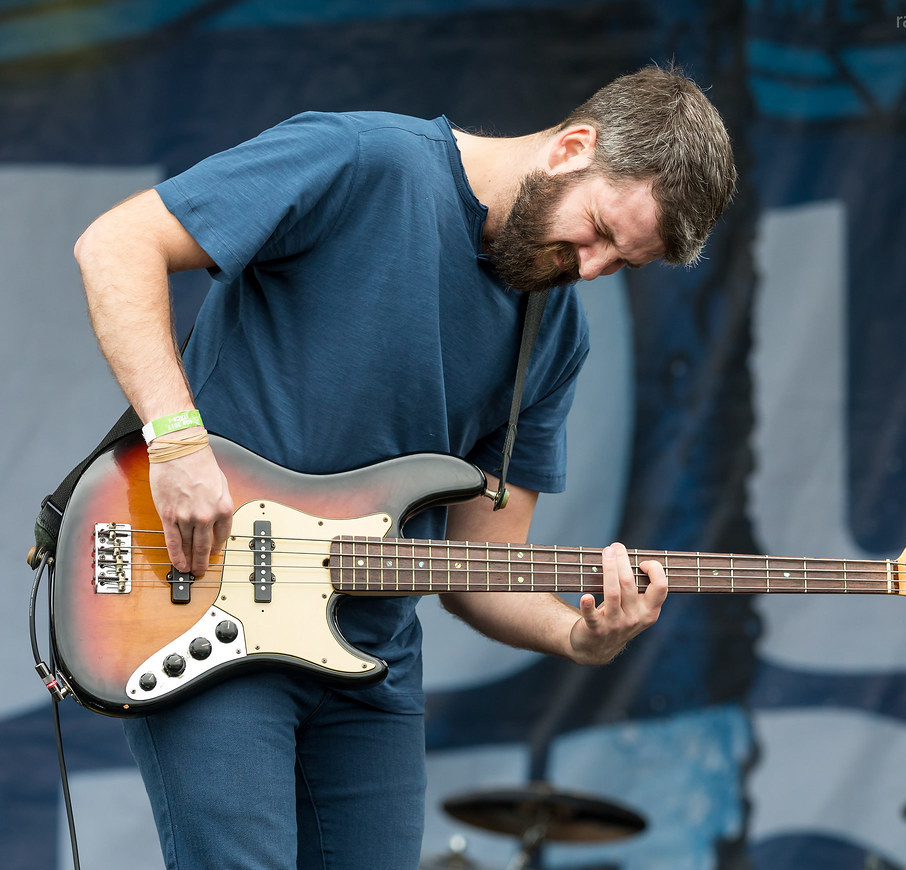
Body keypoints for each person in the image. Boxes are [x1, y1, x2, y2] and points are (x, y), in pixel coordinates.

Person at [73, 64, 736, 870]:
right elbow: (116, 243)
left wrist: (580, 635)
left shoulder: (553, 337)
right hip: (207, 608)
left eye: (622, 264)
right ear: (572, 147)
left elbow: (480, 568)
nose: (590, 269)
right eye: (597, 230)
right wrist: (177, 441)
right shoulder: (361, 159)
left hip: (369, 666)